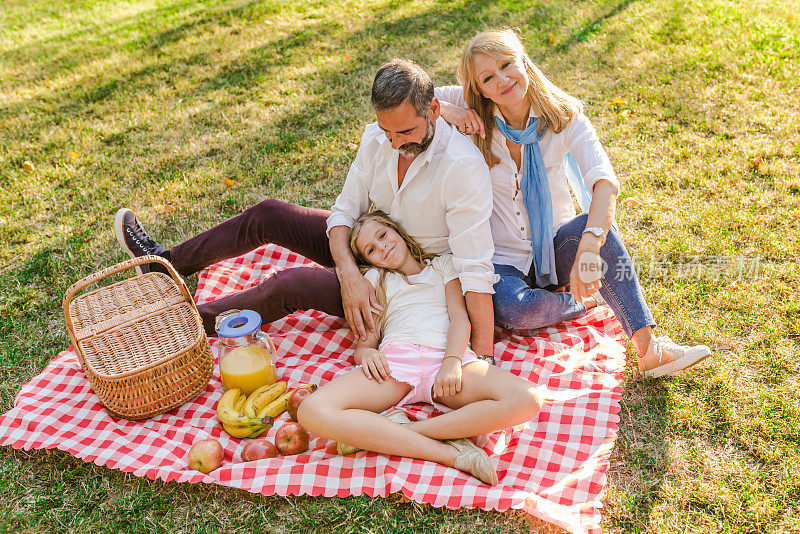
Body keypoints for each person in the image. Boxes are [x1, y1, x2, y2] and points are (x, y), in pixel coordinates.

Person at [114, 59, 497, 359]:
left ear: (433, 109)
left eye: (406, 134)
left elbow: (474, 268)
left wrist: (482, 357)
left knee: (289, 284)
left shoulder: (462, 168)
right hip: (368, 239)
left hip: (405, 275)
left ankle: (177, 326)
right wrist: (348, 273)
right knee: (270, 213)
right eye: (388, 133)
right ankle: (162, 264)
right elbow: (344, 213)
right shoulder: (378, 138)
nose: (395, 144)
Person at [434, 28, 711, 378]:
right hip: (500, 258)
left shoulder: (565, 117)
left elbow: (605, 184)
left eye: (507, 64)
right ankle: (582, 303)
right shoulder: (472, 110)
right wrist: (446, 109)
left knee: (594, 228)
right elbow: (408, 93)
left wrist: (590, 248)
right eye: (489, 77)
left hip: (555, 245)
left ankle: (648, 348)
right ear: (479, 89)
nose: (503, 79)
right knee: (511, 310)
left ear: (523, 59)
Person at [298, 211, 542, 485]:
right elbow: (365, 343)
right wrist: (367, 353)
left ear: (396, 230)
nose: (383, 247)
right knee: (311, 410)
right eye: (371, 250)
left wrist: (451, 362)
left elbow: (460, 319)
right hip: (397, 364)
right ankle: (449, 454)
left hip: (452, 360)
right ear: (368, 261)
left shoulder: (442, 266)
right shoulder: (376, 280)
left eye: (383, 235)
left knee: (528, 398)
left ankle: (403, 431)